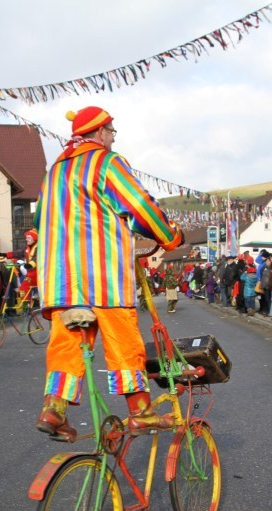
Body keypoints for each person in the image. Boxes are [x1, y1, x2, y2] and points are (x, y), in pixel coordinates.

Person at [32, 105, 183, 440]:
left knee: (67, 346)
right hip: (103, 278)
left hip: (60, 282)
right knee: (123, 342)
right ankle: (141, 412)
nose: (114, 138)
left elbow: (38, 218)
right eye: (112, 132)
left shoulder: (54, 171)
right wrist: (171, 236)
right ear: (100, 132)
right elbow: (139, 206)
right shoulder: (106, 163)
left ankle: (54, 410)